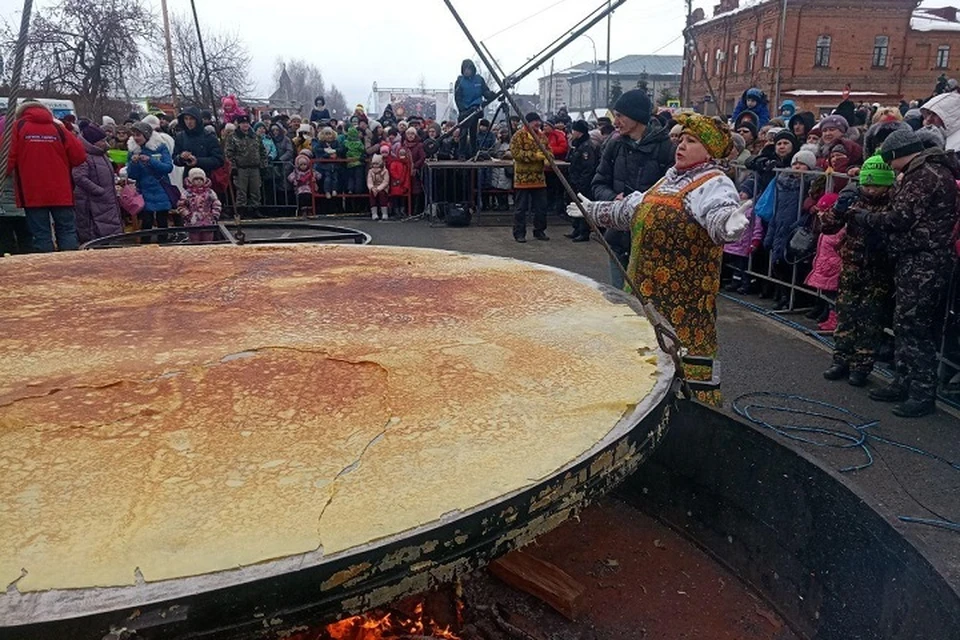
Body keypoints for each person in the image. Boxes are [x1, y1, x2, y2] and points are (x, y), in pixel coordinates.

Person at [568, 114, 750, 405]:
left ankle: (691, 417)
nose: (681, 146)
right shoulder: (669, 180)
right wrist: (593, 210)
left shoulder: (714, 183)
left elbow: (718, 214)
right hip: (645, 294)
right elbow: (630, 210)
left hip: (684, 301)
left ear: (710, 151)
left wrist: (728, 224)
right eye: (681, 140)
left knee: (684, 363)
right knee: (646, 358)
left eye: (692, 141)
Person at [856, 129, 960, 417]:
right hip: (915, 257)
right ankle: (903, 381)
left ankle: (921, 392)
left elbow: (901, 218)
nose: (889, 167)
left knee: (915, 325)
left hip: (925, 260)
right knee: (903, 322)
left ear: (896, 155)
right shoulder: (928, 171)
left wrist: (867, 218)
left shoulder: (925, 175)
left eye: (889, 160)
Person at [821, 155, 895, 387]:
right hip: (852, 265)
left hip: (878, 269)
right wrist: (838, 209)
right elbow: (828, 226)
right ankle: (840, 359)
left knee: (870, 319)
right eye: (867, 184)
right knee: (846, 314)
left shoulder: (894, 203)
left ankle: (861, 365)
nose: (871, 190)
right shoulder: (854, 199)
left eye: (876, 185)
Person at [591, 89, 674, 287]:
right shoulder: (615, 145)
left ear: (636, 116)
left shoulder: (666, 148)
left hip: (650, 242)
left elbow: (673, 194)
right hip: (618, 238)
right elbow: (598, 183)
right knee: (620, 302)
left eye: (620, 116)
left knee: (646, 305)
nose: (615, 121)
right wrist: (613, 199)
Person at [5, 101, 86, 252]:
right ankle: (71, 268)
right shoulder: (57, 128)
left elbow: (6, 161)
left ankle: (49, 272)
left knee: (41, 235)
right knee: (67, 231)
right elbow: (79, 156)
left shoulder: (17, 128)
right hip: (61, 191)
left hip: (32, 193)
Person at [73, 124, 123, 244]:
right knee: (97, 234)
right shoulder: (84, 156)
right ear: (93, 142)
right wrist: (98, 190)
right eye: (102, 140)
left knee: (110, 231)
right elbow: (79, 177)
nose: (105, 143)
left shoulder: (101, 155)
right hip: (93, 203)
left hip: (106, 201)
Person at [804, 193, 845, 332]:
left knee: (834, 296)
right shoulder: (824, 227)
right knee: (828, 295)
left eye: (824, 211)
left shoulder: (839, 229)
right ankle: (830, 317)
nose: (820, 214)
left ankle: (835, 320)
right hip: (825, 265)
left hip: (834, 266)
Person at [127, 121, 175, 235]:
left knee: (162, 221)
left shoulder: (160, 147)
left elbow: (168, 167)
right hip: (144, 190)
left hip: (161, 188)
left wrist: (151, 160)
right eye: (134, 135)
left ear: (146, 135)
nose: (135, 138)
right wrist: (133, 164)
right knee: (146, 222)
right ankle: (146, 247)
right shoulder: (133, 151)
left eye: (138, 135)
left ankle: (164, 246)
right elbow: (133, 175)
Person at [510, 112, 551, 243]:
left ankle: (539, 231)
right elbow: (516, 153)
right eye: (534, 121)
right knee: (521, 208)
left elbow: (549, 151)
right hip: (522, 179)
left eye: (538, 121)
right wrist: (535, 156)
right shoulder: (518, 135)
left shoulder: (542, 136)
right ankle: (519, 233)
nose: (537, 123)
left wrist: (548, 159)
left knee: (541, 207)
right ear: (527, 122)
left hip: (539, 179)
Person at [225, 114, 267, 217]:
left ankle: (255, 209)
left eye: (247, 123)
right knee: (241, 191)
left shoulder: (255, 137)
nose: (245, 125)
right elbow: (229, 153)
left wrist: (263, 165)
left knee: (256, 190)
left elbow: (262, 151)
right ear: (239, 124)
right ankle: (241, 211)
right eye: (243, 123)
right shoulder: (233, 137)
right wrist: (233, 167)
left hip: (255, 167)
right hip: (241, 168)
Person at [564, 120, 599, 242]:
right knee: (574, 205)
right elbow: (569, 158)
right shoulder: (578, 144)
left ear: (579, 132)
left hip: (583, 182)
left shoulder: (587, 146)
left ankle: (584, 232)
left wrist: (582, 183)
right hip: (575, 180)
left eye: (573, 130)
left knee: (582, 207)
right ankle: (576, 229)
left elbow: (588, 167)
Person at [454, 59, 496, 159]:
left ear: (473, 69)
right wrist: (462, 109)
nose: (467, 71)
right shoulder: (460, 81)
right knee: (463, 132)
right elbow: (458, 97)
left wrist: (490, 95)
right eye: (465, 69)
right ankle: (461, 153)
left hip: (476, 108)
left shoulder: (479, 80)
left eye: (469, 69)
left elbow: (485, 91)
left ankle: (474, 153)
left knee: (473, 132)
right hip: (465, 110)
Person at [173, 106, 224, 187]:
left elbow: (219, 160)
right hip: (189, 181)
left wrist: (198, 161)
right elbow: (175, 159)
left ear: (197, 119)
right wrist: (181, 158)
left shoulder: (209, 136)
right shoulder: (181, 137)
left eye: (191, 119)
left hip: (207, 180)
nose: (189, 122)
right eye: (186, 119)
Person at [177, 167, 222, 241]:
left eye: (201, 179)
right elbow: (181, 205)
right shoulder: (187, 193)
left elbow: (216, 203)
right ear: (191, 180)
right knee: (194, 243)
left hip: (208, 221)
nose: (199, 181)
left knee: (208, 241)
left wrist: (214, 215)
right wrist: (187, 215)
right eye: (196, 179)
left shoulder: (210, 192)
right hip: (193, 222)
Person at [287, 151, 319, 216]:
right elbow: (290, 177)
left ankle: (309, 209)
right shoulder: (296, 172)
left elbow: (318, 175)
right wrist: (294, 180)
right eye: (301, 165)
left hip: (309, 187)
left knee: (309, 196)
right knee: (301, 197)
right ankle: (303, 210)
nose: (303, 166)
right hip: (300, 188)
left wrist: (314, 178)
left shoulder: (311, 171)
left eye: (305, 164)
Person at [389, 147, 412, 216]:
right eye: (400, 153)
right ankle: (396, 211)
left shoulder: (407, 163)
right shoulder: (394, 162)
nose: (402, 155)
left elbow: (407, 175)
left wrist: (405, 184)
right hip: (396, 183)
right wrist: (398, 179)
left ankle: (402, 210)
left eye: (403, 153)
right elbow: (392, 171)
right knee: (395, 197)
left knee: (402, 198)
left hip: (403, 184)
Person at [367, 153, 390, 220]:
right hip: (374, 187)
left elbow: (386, 182)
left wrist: (378, 189)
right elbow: (369, 181)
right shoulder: (370, 171)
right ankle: (374, 213)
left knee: (382, 194)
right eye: (374, 164)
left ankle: (384, 213)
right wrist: (372, 188)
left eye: (377, 164)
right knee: (372, 195)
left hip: (383, 188)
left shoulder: (385, 171)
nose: (375, 165)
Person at [343, 126, 366, 194]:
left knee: (351, 177)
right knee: (358, 178)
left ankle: (350, 189)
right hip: (358, 162)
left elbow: (344, 149)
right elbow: (362, 150)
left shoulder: (346, 142)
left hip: (349, 163)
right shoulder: (359, 143)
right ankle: (358, 190)